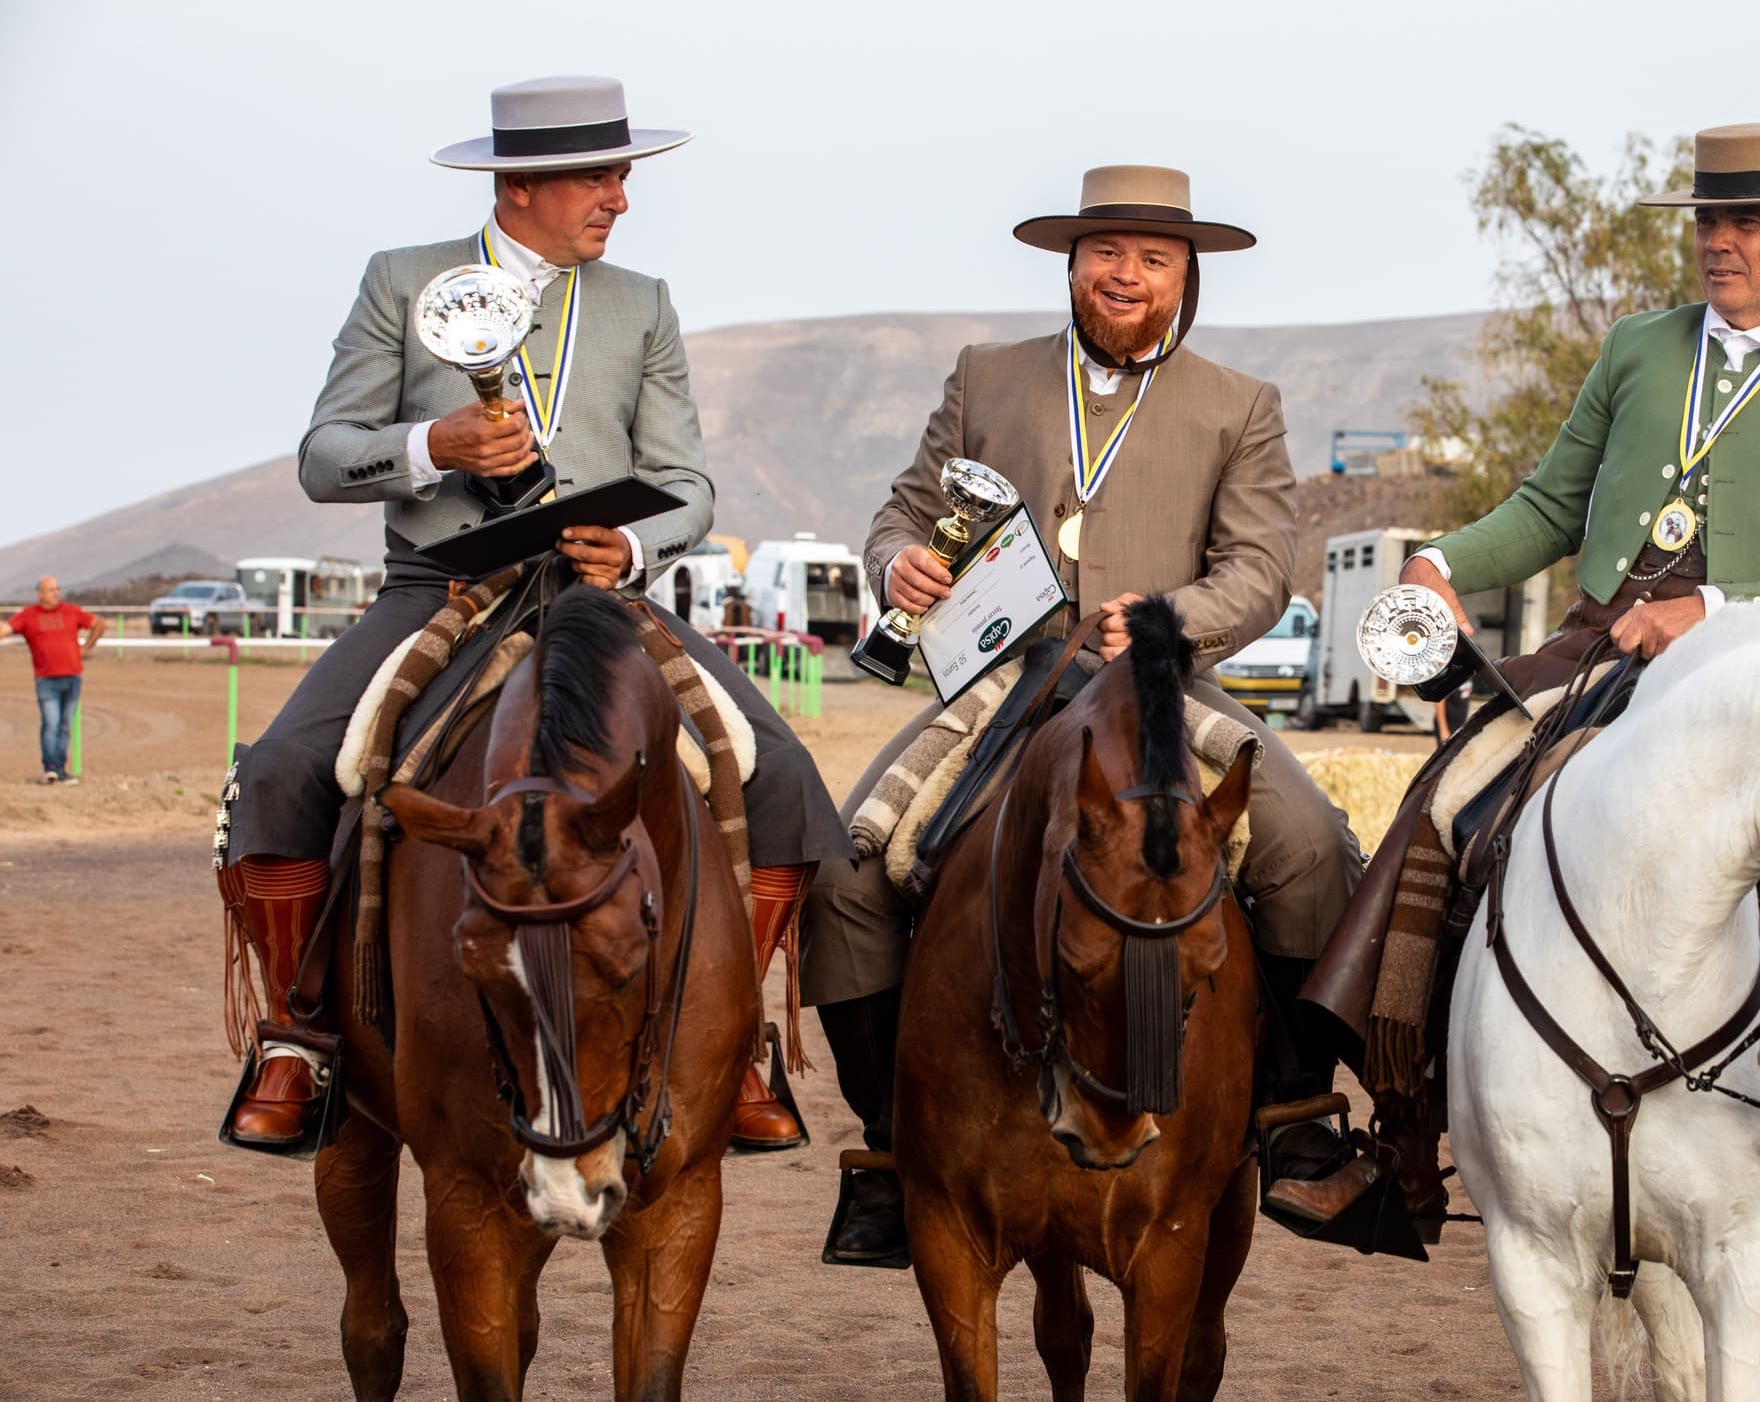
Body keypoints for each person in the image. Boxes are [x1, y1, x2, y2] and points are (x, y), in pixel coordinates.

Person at [1291, 122, 1760, 1279]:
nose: (1719, 243)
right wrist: (1443, 558)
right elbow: (1545, 509)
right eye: (1707, 221)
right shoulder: (1640, 350)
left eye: (1745, 223)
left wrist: (1716, 606)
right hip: (1594, 653)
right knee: (1446, 806)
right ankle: (1402, 1144)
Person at [215, 77, 849, 1152]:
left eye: (623, 176)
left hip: (599, 595)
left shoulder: (640, 300)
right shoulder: (401, 281)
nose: (621, 199)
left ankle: (736, 1043)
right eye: (601, 178)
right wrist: (436, 446)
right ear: (520, 185)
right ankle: (297, 1037)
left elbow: (686, 480)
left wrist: (638, 544)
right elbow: (325, 455)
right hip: (442, 589)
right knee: (282, 770)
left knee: (780, 771)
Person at [801, 166, 1363, 1263]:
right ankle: (885, 1145)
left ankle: (1293, 1116)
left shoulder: (1238, 404)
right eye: (1106, 251)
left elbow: (1260, 570)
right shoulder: (986, 376)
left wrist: (1167, 621)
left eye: (1153, 259)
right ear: (1071, 264)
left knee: (1302, 845)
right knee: (847, 874)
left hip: (1159, 686)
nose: (1125, 274)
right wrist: (896, 563)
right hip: (1003, 688)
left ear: (1184, 279)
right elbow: (902, 512)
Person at [2, 577, 104, 784]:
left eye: (57, 589)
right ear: (40, 594)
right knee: (51, 722)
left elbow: (98, 625)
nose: (55, 593)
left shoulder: (71, 611)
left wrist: (84, 649)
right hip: (46, 680)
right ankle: (50, 767)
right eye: (50, 590)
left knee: (65, 725)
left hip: (73, 677)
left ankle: (61, 768)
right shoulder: (29, 616)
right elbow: (5, 630)